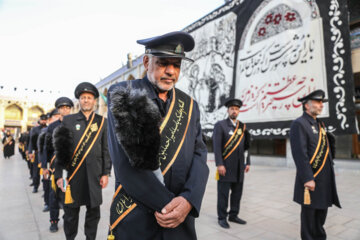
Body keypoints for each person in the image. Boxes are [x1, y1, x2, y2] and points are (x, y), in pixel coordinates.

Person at [107, 31, 209, 240]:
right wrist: (168, 207)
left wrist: (189, 200)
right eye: (163, 63)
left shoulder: (190, 106)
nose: (171, 71)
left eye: (177, 65)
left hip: (181, 218)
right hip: (137, 215)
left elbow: (200, 154)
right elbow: (124, 164)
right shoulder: (124, 94)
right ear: (146, 61)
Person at [54, 82, 111, 240]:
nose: (86, 100)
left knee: (93, 213)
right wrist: (59, 176)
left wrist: (106, 173)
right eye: (83, 97)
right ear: (79, 100)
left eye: (89, 98)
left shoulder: (102, 122)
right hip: (72, 176)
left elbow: (106, 149)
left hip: (94, 175)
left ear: (94, 101)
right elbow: (61, 149)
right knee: (71, 215)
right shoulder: (68, 120)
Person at [290, 90, 341, 240]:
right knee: (310, 215)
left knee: (321, 212)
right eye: (318, 103)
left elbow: (326, 149)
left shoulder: (319, 124)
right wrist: (307, 178)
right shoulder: (299, 124)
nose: (321, 106)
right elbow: (300, 154)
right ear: (307, 105)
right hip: (311, 179)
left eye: (321, 103)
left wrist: (330, 167)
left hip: (324, 178)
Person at [212, 99, 251, 229]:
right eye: (232, 109)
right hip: (226, 167)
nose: (235, 111)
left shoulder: (242, 127)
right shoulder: (220, 125)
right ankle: (222, 217)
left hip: (240, 167)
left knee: (237, 193)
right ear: (228, 110)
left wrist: (247, 162)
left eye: (237, 109)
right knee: (223, 194)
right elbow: (216, 147)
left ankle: (233, 215)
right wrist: (219, 164)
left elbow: (246, 147)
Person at [43, 97, 73, 232]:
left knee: (69, 196)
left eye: (67, 107)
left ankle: (68, 219)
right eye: (62, 108)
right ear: (59, 110)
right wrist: (45, 167)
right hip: (55, 166)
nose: (65, 110)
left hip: (71, 167)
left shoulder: (75, 124)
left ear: (70, 109)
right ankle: (54, 221)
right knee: (54, 196)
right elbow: (46, 148)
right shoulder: (52, 127)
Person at [28, 114, 48, 193]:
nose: (43, 121)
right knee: (36, 172)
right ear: (40, 120)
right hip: (37, 154)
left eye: (45, 120)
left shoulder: (48, 128)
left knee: (45, 173)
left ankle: (45, 189)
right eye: (42, 120)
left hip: (45, 154)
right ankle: (35, 186)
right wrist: (30, 152)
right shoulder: (35, 129)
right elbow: (31, 142)